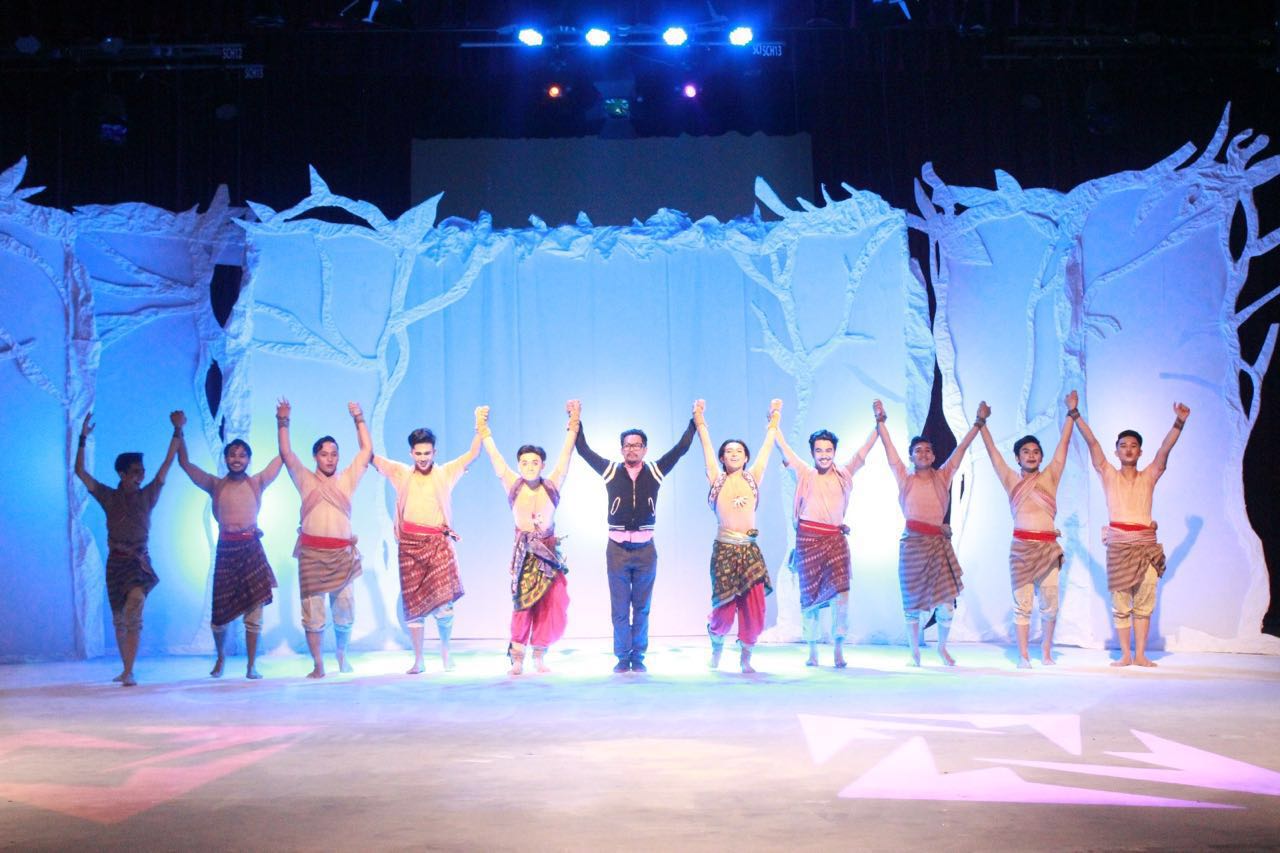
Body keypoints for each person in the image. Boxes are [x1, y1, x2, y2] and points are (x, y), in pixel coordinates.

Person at [575, 402, 698, 673]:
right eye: (627, 445)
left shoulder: (655, 471)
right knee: (620, 609)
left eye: (637, 445)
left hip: (645, 551)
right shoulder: (610, 471)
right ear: (621, 449)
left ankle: (638, 656)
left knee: (642, 608)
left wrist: (695, 422)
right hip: (617, 550)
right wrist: (575, 420)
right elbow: (583, 450)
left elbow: (680, 449)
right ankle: (622, 657)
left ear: (645, 449)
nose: (632, 449)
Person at [1073, 399, 1190, 667]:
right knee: (1121, 603)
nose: (1128, 449)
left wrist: (1179, 422)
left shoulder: (1149, 476)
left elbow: (1164, 450)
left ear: (1139, 452)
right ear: (1116, 451)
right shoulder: (1108, 474)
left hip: (1146, 547)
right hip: (1118, 547)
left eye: (1133, 446)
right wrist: (1075, 413)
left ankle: (1140, 655)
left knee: (1144, 603)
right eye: (1123, 445)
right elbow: (1093, 444)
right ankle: (1126, 654)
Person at [875, 398, 986, 667]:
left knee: (946, 603)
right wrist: (880, 422)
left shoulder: (943, 475)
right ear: (911, 457)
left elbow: (961, 449)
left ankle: (942, 648)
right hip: (912, 546)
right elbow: (889, 450)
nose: (923, 454)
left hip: (938, 545)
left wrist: (979, 423)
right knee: (911, 604)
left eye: (927, 451)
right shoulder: (905, 477)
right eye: (918, 451)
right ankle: (914, 652)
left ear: (934, 457)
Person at [172, 412, 284, 679]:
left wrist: (282, 422)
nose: (237, 459)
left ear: (249, 460)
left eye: (242, 455)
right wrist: (178, 430)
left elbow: (283, 457)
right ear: (225, 459)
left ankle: (251, 665)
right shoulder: (215, 484)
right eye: (232, 455)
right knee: (219, 614)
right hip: (226, 550)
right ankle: (220, 657)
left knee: (254, 612)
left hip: (251, 550)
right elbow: (185, 463)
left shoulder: (257, 482)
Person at [74, 411, 180, 686]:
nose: (141, 475)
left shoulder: (148, 495)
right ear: (122, 474)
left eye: (142, 471)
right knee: (119, 619)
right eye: (135, 472)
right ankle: (126, 669)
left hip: (138, 562)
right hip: (116, 562)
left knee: (135, 606)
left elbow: (167, 464)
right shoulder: (109, 496)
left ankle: (130, 670)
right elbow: (80, 472)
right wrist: (83, 438)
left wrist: (177, 430)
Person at [371, 414, 482, 674]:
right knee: (413, 605)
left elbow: (473, 454)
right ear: (411, 453)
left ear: (435, 452)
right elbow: (370, 457)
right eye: (418, 453)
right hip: (409, 546)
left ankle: (446, 652)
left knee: (444, 603)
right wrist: (359, 421)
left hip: (437, 543)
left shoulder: (444, 473)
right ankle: (419, 659)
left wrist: (480, 426)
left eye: (427, 453)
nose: (423, 458)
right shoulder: (401, 473)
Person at [976, 392, 1077, 669]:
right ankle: (1023, 656)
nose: (1031, 455)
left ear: (1041, 457)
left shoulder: (1050, 476)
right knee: (1022, 604)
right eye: (1025, 452)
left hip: (1048, 549)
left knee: (1050, 603)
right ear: (1017, 457)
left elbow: (1064, 445)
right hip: (1021, 550)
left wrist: (1071, 414)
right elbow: (994, 455)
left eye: (1035, 452)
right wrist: (982, 424)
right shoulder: (1011, 479)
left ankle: (1046, 652)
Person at [478, 402, 579, 675]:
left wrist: (574, 422)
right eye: (524, 463)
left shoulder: (552, 484)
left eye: (535, 462)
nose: (529, 467)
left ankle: (539, 656)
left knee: (550, 604)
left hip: (548, 555)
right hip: (525, 556)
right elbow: (495, 457)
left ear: (543, 465)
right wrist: (483, 428)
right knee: (522, 606)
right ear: (518, 465)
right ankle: (518, 658)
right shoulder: (512, 484)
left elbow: (566, 455)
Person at [277, 398, 372, 678]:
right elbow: (286, 453)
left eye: (334, 454)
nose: (329, 458)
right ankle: (318, 664)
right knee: (313, 613)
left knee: (344, 611)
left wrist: (358, 418)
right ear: (315, 457)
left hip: (342, 556)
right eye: (324, 454)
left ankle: (342, 654)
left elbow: (366, 451)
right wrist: (283, 421)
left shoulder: (346, 479)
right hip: (312, 556)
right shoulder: (305, 479)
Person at [774, 421, 879, 667]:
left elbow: (862, 453)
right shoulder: (804, 473)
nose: (824, 455)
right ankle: (812, 650)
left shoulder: (844, 474)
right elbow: (784, 449)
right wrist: (774, 423)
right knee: (809, 598)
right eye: (819, 450)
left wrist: (878, 425)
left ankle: (838, 648)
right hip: (808, 541)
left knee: (841, 595)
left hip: (835, 540)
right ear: (812, 453)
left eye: (828, 450)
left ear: (834, 451)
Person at [694, 398, 781, 673]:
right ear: (722, 458)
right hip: (725, 550)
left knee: (754, 609)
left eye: (739, 451)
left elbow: (767, 449)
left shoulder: (753, 478)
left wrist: (775, 418)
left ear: (746, 458)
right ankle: (716, 646)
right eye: (728, 451)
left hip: (749, 551)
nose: (733, 454)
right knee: (723, 611)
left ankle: (746, 658)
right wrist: (699, 418)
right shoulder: (717, 479)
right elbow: (706, 446)